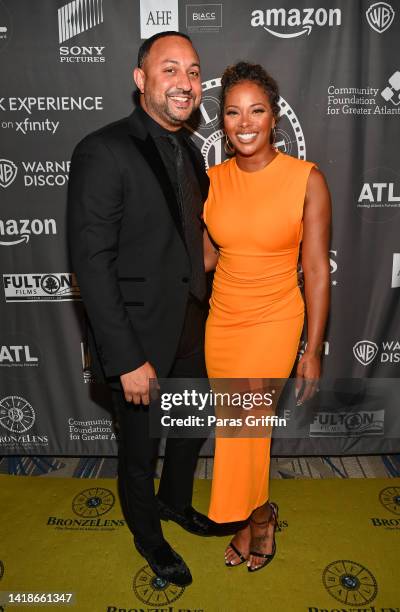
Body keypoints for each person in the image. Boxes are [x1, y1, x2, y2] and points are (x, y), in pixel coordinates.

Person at [68, 31, 217, 587]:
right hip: (138, 337)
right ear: (140, 80)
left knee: (189, 428)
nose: (185, 83)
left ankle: (176, 502)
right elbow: (92, 262)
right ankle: (148, 533)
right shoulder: (103, 149)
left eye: (194, 72)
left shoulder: (192, 149)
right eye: (170, 70)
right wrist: (126, 357)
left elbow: (187, 244)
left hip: (192, 326)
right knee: (139, 447)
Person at [203, 61, 331, 572]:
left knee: (245, 429)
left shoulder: (306, 180)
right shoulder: (212, 181)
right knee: (238, 429)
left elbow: (317, 271)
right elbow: (205, 259)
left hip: (277, 319)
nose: (245, 121)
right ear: (223, 122)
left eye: (256, 109)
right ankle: (259, 514)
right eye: (233, 112)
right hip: (223, 321)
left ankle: (250, 523)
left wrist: (313, 350)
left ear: (274, 116)